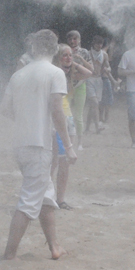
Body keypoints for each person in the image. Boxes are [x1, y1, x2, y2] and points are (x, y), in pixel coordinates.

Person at [2, 29, 73, 260]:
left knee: (46, 196)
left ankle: (54, 246)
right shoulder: (55, 73)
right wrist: (69, 146)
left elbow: (6, 109)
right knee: (29, 201)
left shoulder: (18, 75)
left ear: (33, 48)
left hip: (21, 145)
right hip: (38, 146)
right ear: (55, 49)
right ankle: (9, 254)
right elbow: (57, 111)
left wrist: (27, 119)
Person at [52, 43, 90, 209]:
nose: (68, 58)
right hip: (56, 119)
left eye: (70, 55)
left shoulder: (69, 74)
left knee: (65, 162)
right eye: (64, 55)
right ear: (57, 58)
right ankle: (47, 196)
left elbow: (89, 73)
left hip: (68, 119)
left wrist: (72, 63)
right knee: (53, 161)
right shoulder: (53, 73)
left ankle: (60, 199)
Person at [65, 31, 92, 144]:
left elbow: (91, 69)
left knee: (78, 115)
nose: (72, 41)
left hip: (80, 85)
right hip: (67, 86)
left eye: (75, 39)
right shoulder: (64, 51)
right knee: (65, 113)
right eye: (70, 39)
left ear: (79, 40)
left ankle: (79, 141)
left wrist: (81, 59)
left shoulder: (84, 52)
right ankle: (67, 139)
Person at [95, 36, 118, 126]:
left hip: (100, 79)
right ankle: (105, 118)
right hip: (104, 79)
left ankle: (102, 117)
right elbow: (106, 70)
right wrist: (113, 81)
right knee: (107, 100)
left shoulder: (101, 54)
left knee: (102, 100)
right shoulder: (103, 54)